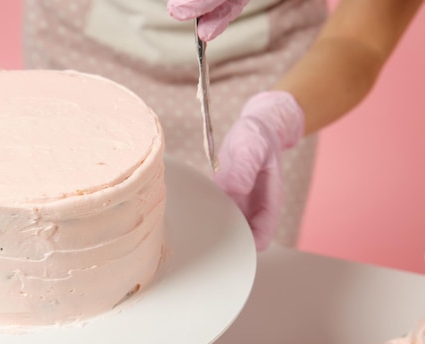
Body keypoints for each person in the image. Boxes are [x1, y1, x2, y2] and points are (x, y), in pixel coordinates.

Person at [22, 0, 423, 250]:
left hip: (267, 62)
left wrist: (274, 117)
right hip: (79, 35)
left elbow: (362, 38)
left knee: (236, 272)